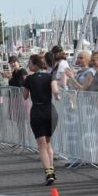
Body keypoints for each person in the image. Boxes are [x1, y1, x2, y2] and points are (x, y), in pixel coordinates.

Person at [22, 53, 60, 186]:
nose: (28, 65)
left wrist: (26, 84)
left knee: (41, 146)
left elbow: (25, 96)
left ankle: (49, 173)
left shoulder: (29, 79)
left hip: (37, 112)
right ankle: (52, 171)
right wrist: (57, 95)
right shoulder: (50, 76)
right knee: (48, 144)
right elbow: (55, 91)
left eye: (29, 63)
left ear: (34, 64)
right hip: (50, 112)